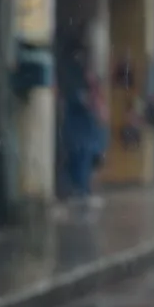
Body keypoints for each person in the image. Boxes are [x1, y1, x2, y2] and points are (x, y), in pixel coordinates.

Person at [58, 35, 107, 205]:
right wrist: (84, 99)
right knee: (80, 156)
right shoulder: (72, 70)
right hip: (78, 121)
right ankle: (80, 191)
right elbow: (73, 95)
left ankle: (80, 190)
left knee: (84, 156)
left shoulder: (81, 70)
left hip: (83, 122)